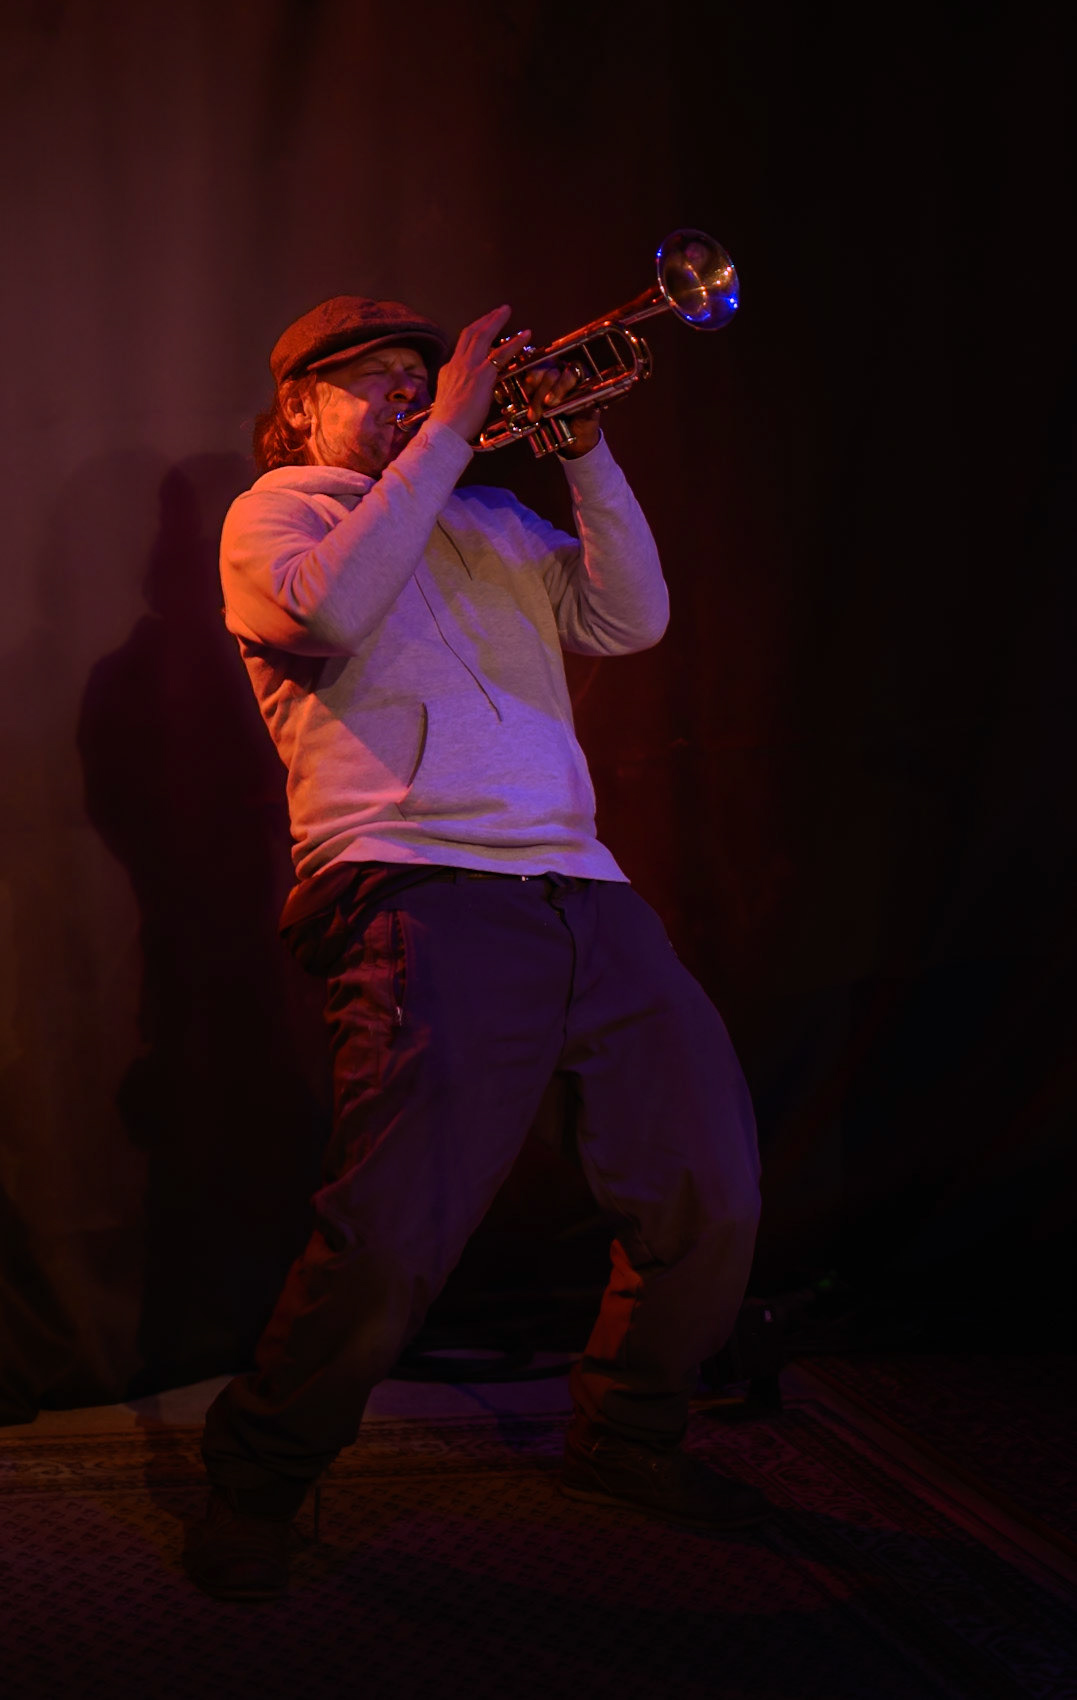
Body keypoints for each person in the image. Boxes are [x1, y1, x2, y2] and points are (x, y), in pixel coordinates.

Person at [184, 291, 764, 1600]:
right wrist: (446, 431)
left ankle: (630, 1433)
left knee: (710, 1188)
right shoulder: (279, 517)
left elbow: (631, 620)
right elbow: (327, 618)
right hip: (417, 887)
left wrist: (583, 450)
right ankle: (259, 1480)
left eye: (423, 374)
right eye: (376, 379)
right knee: (393, 1231)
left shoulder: (493, 515)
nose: (409, 391)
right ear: (300, 409)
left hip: (583, 887)